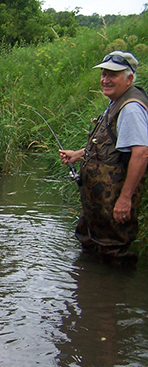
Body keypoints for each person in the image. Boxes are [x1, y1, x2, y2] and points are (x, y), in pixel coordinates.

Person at [60, 51, 148, 266]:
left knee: (113, 253)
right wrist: (80, 154)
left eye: (113, 75)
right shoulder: (117, 102)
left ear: (129, 79)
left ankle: (117, 296)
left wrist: (125, 199)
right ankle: (91, 291)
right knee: (92, 246)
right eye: (104, 74)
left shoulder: (131, 109)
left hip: (114, 201)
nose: (105, 80)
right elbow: (112, 146)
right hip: (101, 204)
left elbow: (141, 152)